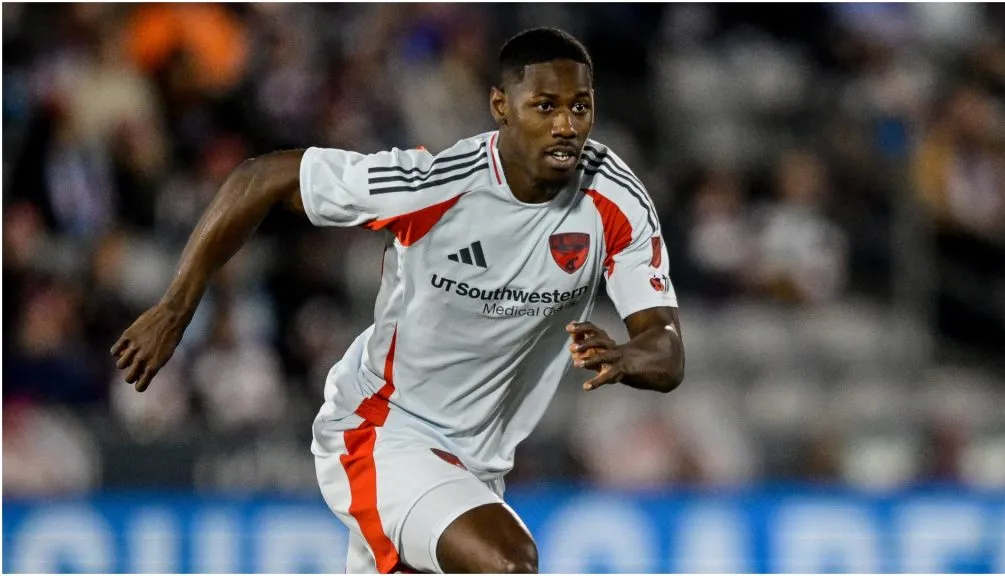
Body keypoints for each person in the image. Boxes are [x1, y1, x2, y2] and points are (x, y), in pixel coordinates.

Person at [111, 27, 685, 574]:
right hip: (381, 430)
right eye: (545, 106)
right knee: (509, 561)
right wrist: (175, 308)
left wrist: (630, 356)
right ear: (501, 106)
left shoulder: (614, 200)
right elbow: (263, 177)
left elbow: (667, 351)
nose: (566, 125)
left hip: (475, 466)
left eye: (580, 107)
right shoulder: (437, 185)